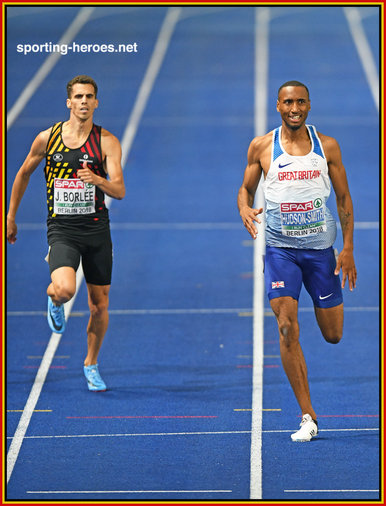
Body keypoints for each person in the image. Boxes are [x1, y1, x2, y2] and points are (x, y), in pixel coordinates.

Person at [237, 80, 357, 442]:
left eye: (300, 102)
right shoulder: (262, 146)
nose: (294, 108)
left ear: (308, 105)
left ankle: (308, 410)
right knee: (287, 326)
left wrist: (347, 248)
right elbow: (245, 187)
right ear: (278, 105)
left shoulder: (327, 146)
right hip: (280, 251)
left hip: (321, 253)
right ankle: (308, 415)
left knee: (333, 335)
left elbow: (344, 198)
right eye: (288, 102)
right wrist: (243, 207)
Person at [7, 75, 125, 392]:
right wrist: (11, 216)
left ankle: (91, 363)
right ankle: (53, 299)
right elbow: (22, 174)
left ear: (96, 102)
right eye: (78, 97)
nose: (84, 102)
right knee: (63, 290)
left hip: (97, 231)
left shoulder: (107, 141)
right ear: (69, 102)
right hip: (62, 230)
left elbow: (120, 190)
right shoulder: (48, 139)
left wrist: (96, 180)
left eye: (89, 97)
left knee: (99, 305)